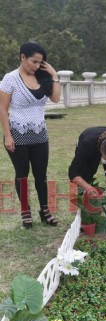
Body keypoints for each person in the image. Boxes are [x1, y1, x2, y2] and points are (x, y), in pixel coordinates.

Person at [0, 41, 61, 228]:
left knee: (41, 175)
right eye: (33, 61)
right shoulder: (10, 79)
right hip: (17, 133)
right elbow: (2, 108)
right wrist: (8, 136)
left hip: (39, 133)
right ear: (22, 57)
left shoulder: (42, 77)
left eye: (39, 62)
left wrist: (54, 75)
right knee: (22, 174)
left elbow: (56, 98)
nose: (36, 66)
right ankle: (25, 212)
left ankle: (45, 210)